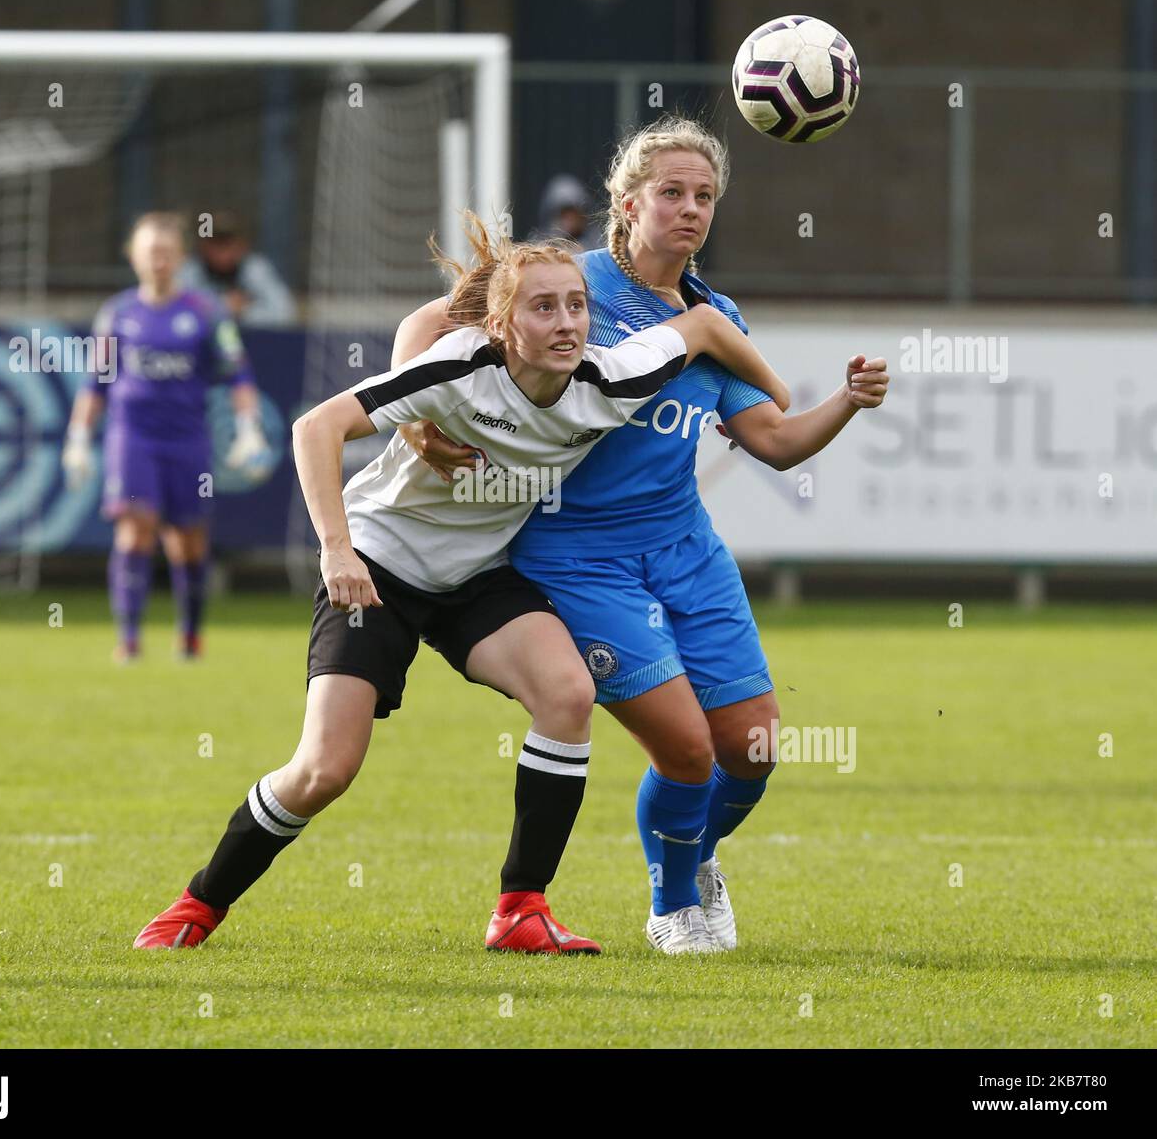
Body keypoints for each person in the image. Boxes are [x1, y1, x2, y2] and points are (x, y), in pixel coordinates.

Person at [132, 215, 790, 954]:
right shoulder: (458, 366)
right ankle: (198, 903)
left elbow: (702, 326)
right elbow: (316, 427)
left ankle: (520, 911)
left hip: (478, 574)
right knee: (324, 770)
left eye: (578, 305)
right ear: (504, 324)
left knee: (568, 695)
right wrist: (336, 551)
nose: (568, 322)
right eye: (544, 308)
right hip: (381, 565)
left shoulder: (612, 378)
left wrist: (773, 390)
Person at [394, 115, 890, 954]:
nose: (690, 210)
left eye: (705, 197)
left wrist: (846, 401)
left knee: (754, 746)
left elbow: (772, 441)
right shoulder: (563, 279)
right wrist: (414, 422)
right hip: (573, 554)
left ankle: (695, 857)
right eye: (672, 193)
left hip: (684, 548)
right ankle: (672, 905)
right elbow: (425, 326)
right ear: (627, 204)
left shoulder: (714, 315)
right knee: (689, 747)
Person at [62, 212, 272, 661]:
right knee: (134, 529)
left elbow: (237, 373)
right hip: (132, 436)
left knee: (187, 538)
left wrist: (249, 428)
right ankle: (130, 640)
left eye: (165, 252)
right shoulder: (118, 313)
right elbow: (96, 383)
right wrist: (78, 437)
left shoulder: (205, 312)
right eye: (149, 252)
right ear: (133, 256)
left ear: (178, 257)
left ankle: (190, 636)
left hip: (187, 438)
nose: (158, 261)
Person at [178, 211, 294, 325]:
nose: (222, 252)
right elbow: (177, 312)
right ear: (204, 245)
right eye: (216, 243)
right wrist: (222, 307)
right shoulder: (190, 271)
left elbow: (284, 312)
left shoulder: (255, 269)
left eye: (228, 244)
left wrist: (244, 312)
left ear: (242, 245)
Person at [530, 173, 603, 250]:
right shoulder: (541, 248)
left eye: (574, 214)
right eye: (564, 215)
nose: (570, 221)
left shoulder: (596, 244)